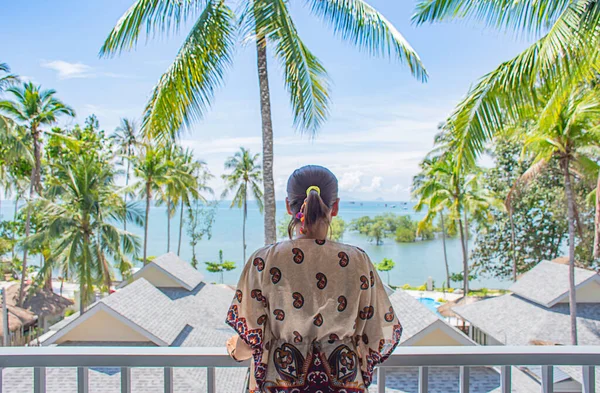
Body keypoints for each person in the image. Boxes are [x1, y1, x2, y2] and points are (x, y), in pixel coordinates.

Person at [225, 165, 402, 393]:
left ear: (289, 207)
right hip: (344, 382)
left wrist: (234, 349)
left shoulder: (264, 261)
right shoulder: (358, 261)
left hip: (283, 383)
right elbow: (378, 335)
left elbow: (250, 340)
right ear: (335, 207)